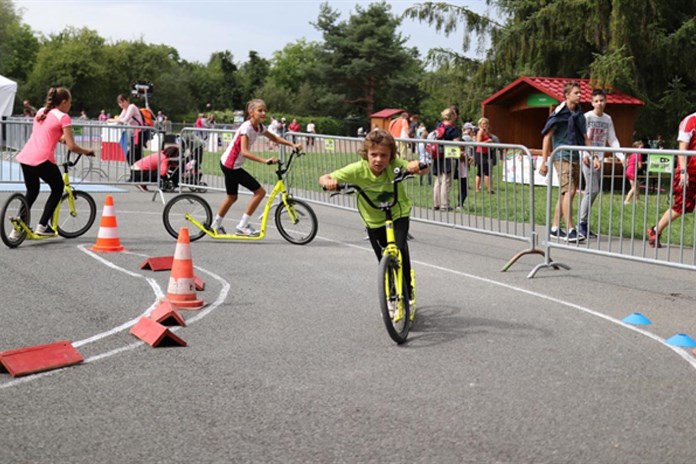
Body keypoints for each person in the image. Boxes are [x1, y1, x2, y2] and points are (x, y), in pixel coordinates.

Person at [319, 129, 428, 305]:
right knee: (383, 259)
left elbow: (422, 169)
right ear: (366, 154)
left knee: (399, 251)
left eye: (384, 155)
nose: (378, 159)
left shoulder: (395, 165)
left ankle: (407, 289)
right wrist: (328, 183)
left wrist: (417, 165)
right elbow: (324, 177)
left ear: (391, 156)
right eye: (374, 154)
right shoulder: (357, 170)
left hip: (398, 214)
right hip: (373, 220)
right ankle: (392, 294)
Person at [11, 87, 94, 239]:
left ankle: (17, 230)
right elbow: (72, 146)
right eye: (70, 102)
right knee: (57, 188)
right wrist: (87, 151)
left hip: (26, 156)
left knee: (32, 191)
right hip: (42, 158)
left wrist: (60, 139)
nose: (70, 105)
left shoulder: (42, 111)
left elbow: (47, 133)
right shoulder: (64, 117)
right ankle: (42, 226)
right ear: (63, 102)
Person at [209, 99, 302, 236]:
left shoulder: (259, 127)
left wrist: (292, 145)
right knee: (260, 192)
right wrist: (265, 161)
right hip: (231, 166)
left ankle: (215, 225)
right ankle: (242, 225)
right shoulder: (246, 128)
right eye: (260, 110)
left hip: (230, 164)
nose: (263, 113)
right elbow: (245, 151)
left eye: (265, 110)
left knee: (232, 197)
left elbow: (275, 139)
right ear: (251, 112)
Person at [538, 81, 590, 242]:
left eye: (580, 92)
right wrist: (544, 161)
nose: (580, 95)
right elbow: (547, 137)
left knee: (569, 192)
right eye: (576, 93)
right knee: (568, 191)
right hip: (561, 156)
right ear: (567, 95)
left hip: (575, 156)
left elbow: (586, 137)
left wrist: (593, 155)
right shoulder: (559, 114)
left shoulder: (579, 115)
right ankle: (570, 228)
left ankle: (554, 227)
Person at [647, 111, 696, 248]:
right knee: (682, 206)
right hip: (689, 172)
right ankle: (655, 230)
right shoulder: (690, 121)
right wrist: (683, 171)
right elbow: (682, 149)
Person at [579, 88, 620, 239]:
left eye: (601, 100)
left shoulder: (607, 119)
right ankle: (581, 224)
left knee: (592, 190)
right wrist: (584, 153)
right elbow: (582, 137)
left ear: (606, 101)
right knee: (592, 190)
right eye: (596, 101)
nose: (599, 104)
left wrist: (621, 155)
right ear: (592, 102)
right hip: (588, 158)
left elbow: (612, 139)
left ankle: (583, 224)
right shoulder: (587, 117)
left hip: (599, 159)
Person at [432, 107, 461, 211]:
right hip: (449, 155)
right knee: (447, 180)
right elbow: (457, 143)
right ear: (452, 116)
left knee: (438, 179)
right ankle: (444, 204)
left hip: (437, 155)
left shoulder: (439, 126)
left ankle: (436, 203)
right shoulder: (452, 128)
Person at [108, 94, 144, 163]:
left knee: (133, 156)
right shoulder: (125, 109)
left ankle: (138, 172)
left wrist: (112, 120)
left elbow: (124, 120)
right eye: (119, 103)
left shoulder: (131, 107)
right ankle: (136, 172)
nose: (121, 104)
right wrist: (114, 120)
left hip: (139, 134)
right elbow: (120, 118)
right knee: (134, 156)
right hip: (133, 134)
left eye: (123, 102)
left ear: (127, 100)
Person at [474, 117, 494, 194]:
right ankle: (489, 189)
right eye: (483, 123)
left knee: (481, 171)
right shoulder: (480, 132)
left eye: (486, 123)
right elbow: (478, 143)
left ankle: (478, 188)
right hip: (480, 153)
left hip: (485, 153)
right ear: (480, 124)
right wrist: (487, 141)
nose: (485, 125)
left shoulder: (486, 132)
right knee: (486, 171)